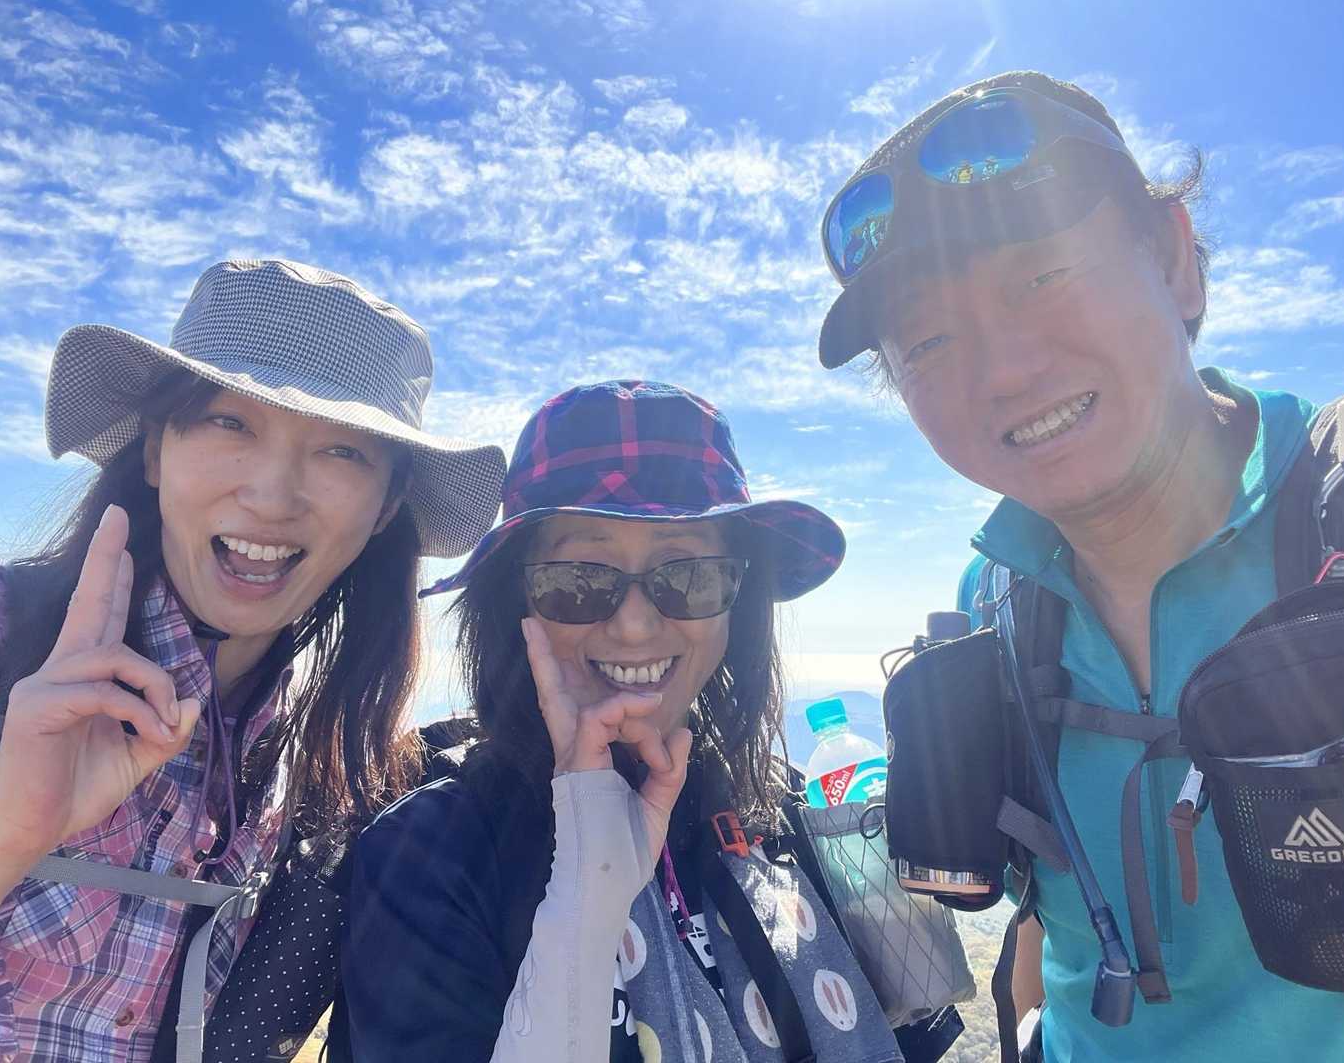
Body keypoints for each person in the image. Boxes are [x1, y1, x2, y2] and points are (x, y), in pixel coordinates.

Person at [815, 69, 1344, 1061]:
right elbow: (1050, 921)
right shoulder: (1000, 596)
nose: (1005, 371)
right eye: (929, 340)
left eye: (1041, 278)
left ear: (1174, 260)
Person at [0, 258, 506, 1061]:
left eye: (342, 453)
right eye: (229, 423)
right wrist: (5, 836)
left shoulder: (315, 767)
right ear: (155, 451)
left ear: (385, 508)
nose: (272, 496)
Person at [345, 380, 950, 1063]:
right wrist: (588, 883)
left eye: (688, 576)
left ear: (738, 601)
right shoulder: (433, 853)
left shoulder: (781, 807)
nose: (634, 626)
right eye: (579, 579)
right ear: (517, 602)